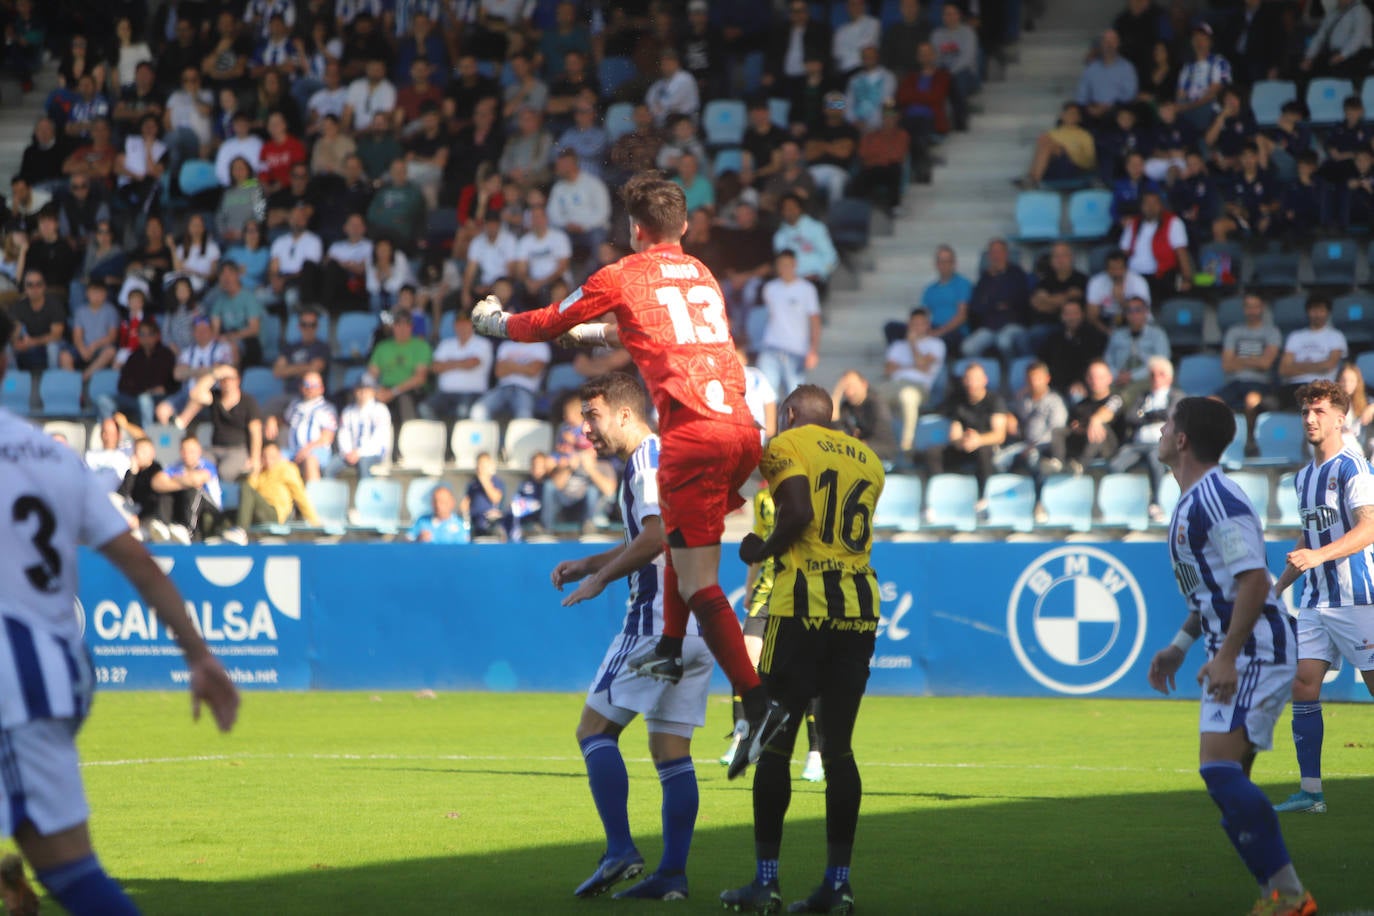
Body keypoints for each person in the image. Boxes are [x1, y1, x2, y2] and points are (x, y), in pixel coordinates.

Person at [471, 172, 778, 779]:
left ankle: (757, 703)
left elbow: (545, 324)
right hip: (742, 430)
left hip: (691, 434)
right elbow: (667, 333)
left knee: (697, 581)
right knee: (683, 540)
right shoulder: (704, 276)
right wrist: (603, 331)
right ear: (684, 227)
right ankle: (668, 648)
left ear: (635, 230)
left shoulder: (622, 273)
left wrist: (495, 324)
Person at [0, 307, 238, 915]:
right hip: (53, 671)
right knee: (69, 874)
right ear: (7, 361)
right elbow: (139, 563)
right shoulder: (53, 457)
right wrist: (199, 655)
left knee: (71, 873)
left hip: (14, 678)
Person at [1146, 397, 1315, 916]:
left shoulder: (1215, 499)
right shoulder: (1192, 500)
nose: (1160, 431)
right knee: (1226, 782)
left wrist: (1228, 656)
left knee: (1219, 771)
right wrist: (1180, 646)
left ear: (1181, 441)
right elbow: (1214, 592)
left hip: (1257, 649)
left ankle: (1288, 894)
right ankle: (1278, 893)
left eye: (1167, 424)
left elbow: (1253, 580)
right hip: (1237, 649)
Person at [720, 384, 884, 915]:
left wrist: (760, 548)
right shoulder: (869, 460)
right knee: (838, 749)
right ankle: (838, 885)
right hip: (857, 610)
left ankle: (765, 883)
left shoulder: (785, 446)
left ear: (790, 414)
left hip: (800, 610)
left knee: (775, 745)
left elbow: (795, 513)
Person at [549, 373, 708, 902]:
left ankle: (620, 849)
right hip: (697, 624)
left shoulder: (645, 461)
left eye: (591, 416)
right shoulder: (667, 456)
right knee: (670, 752)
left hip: (654, 623)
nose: (585, 429)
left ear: (623, 413)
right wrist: (589, 562)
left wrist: (599, 578)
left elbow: (656, 536)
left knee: (592, 730)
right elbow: (652, 538)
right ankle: (673, 876)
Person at [1266, 379, 1374, 818]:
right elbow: (1308, 539)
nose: (1311, 419)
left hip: (1357, 599)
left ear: (1340, 417)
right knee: (1302, 686)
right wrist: (1275, 591)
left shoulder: (1353, 467)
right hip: (1315, 601)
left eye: (1320, 412)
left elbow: (1368, 528)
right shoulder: (1303, 477)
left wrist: (1318, 554)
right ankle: (1311, 793)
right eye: (1306, 413)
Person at [1108, 356, 1185, 523]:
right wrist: (1155, 415)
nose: (1156, 378)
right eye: (1152, 375)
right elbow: (1131, 417)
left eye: (1161, 374)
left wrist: (1147, 415)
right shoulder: (1143, 397)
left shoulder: (1176, 395)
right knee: (1115, 465)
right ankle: (1126, 503)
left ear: (1170, 377)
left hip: (1160, 444)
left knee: (1155, 459)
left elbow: (1171, 415)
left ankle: (1156, 502)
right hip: (1138, 443)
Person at [923, 361, 1008, 505]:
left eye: (975, 379)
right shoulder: (959, 401)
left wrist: (978, 440)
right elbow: (954, 434)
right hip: (965, 446)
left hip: (986, 446)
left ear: (984, 380)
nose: (971, 383)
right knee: (933, 453)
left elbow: (999, 435)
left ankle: (983, 497)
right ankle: (938, 497)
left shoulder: (995, 401)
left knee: (983, 452)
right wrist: (962, 441)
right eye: (968, 379)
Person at [1219, 294, 1282, 457]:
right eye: (1248, 306)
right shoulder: (1234, 331)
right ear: (1244, 309)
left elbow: (1265, 364)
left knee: (1251, 401)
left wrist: (1239, 360)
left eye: (1256, 306)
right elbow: (1227, 365)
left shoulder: (1271, 332)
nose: (1252, 310)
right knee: (1210, 402)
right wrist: (1255, 359)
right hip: (1235, 382)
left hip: (1259, 383)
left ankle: (1250, 441)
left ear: (1262, 308)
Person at [756, 249, 822, 401]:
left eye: (787, 264)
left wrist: (813, 350)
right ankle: (770, 425)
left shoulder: (807, 289)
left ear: (794, 265)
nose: (784, 268)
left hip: (796, 351)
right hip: (771, 347)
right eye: (781, 265)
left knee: (795, 399)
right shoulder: (769, 288)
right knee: (766, 397)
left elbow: (815, 321)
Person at [883, 306, 946, 453]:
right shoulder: (897, 345)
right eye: (914, 324)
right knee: (870, 396)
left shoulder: (936, 344)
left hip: (920, 387)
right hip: (894, 385)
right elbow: (887, 370)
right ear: (909, 325)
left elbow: (923, 365)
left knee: (907, 396)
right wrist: (914, 365)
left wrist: (912, 344)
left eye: (921, 323)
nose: (917, 327)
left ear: (927, 325)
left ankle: (906, 445)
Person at [1278, 297, 1348, 410]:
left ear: (1328, 313)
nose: (1317, 314)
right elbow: (1284, 369)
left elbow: (1328, 365)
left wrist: (1297, 366)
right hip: (1295, 387)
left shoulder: (1336, 336)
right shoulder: (1295, 336)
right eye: (1314, 310)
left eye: (1321, 310)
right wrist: (1317, 366)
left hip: (1323, 387)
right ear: (1308, 312)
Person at [423, 310, 493, 420]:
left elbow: (472, 363)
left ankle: (457, 437)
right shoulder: (445, 344)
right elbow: (435, 367)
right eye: (459, 323)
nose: (462, 326)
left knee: (463, 411)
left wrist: (447, 364)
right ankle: (439, 435)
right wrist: (462, 362)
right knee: (424, 408)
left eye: (466, 323)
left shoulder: (483, 343)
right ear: (454, 325)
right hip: (445, 393)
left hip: (472, 393)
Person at [367, 309, 433, 427]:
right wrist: (376, 391)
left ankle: (411, 440)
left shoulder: (421, 346)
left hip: (411, 390)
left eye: (406, 324)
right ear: (393, 326)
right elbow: (371, 375)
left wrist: (393, 392)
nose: (402, 328)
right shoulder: (382, 347)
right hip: (385, 388)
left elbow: (420, 378)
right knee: (361, 396)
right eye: (398, 324)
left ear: (411, 326)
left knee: (404, 400)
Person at [237, 440, 320, 531]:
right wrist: (254, 473)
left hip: (275, 513)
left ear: (279, 456)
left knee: (245, 487)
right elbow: (249, 495)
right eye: (265, 457)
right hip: (258, 511)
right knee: (226, 517)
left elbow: (300, 496)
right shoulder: (261, 472)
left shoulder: (286, 469)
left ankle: (241, 531)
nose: (268, 461)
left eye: (272, 457)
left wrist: (314, 521)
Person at [329, 377, 392, 479]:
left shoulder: (381, 410)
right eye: (360, 389)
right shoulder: (348, 411)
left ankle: (366, 494)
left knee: (363, 463)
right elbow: (343, 434)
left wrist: (359, 452)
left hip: (374, 453)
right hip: (350, 454)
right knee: (330, 467)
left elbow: (379, 438)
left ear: (373, 391)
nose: (363, 392)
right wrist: (348, 452)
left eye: (367, 389)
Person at [280, 371, 337, 483]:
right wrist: (272, 420)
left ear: (321, 388)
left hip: (317, 451)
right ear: (301, 387)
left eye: (315, 385)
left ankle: (313, 498)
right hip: (292, 450)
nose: (310, 388)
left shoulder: (327, 408)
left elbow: (327, 437)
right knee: (273, 457)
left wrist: (307, 449)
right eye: (306, 384)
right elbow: (284, 422)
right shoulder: (294, 405)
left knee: (310, 460)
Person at [832, 369, 897, 464]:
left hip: (880, 454)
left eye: (852, 386)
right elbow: (837, 431)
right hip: (856, 455)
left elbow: (880, 439)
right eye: (845, 388)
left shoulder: (875, 404)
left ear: (864, 384)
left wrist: (855, 444)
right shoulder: (846, 407)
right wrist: (837, 395)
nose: (849, 392)